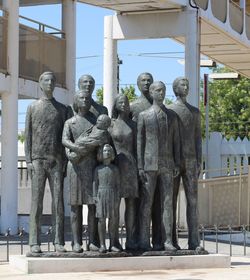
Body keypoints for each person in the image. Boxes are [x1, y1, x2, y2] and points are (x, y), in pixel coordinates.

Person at [25, 71, 67, 253]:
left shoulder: (63, 109)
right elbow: (28, 136)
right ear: (40, 84)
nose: (50, 83)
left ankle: (59, 241)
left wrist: (64, 161)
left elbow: (66, 137)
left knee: (58, 202)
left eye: (52, 80)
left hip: (57, 160)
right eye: (46, 80)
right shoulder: (33, 107)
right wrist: (28, 161)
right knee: (37, 202)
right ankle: (34, 241)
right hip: (38, 160)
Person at [137, 81, 180, 251]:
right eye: (157, 90)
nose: (161, 93)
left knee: (168, 203)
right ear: (152, 93)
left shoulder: (172, 116)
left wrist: (176, 161)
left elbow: (176, 142)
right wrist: (140, 166)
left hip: (168, 164)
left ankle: (167, 240)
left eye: (163, 90)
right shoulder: (144, 115)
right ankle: (143, 240)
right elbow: (139, 143)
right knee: (146, 203)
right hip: (149, 165)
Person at [62, 90, 100, 253]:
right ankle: (76, 242)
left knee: (92, 206)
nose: (84, 100)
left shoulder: (95, 122)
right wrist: (75, 148)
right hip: (75, 168)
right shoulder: (70, 122)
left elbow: (100, 138)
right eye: (81, 98)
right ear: (76, 101)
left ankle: (92, 241)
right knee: (75, 207)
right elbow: (64, 140)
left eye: (87, 98)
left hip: (91, 167)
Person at [168, 77, 203, 251]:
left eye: (187, 84)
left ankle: (194, 241)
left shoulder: (195, 112)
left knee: (193, 201)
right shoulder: (170, 111)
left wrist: (199, 161)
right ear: (175, 89)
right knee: (171, 201)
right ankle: (172, 241)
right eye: (182, 84)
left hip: (190, 161)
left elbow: (198, 138)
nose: (186, 87)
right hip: (174, 161)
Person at [109, 94, 138, 250]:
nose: (124, 104)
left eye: (126, 102)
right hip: (115, 167)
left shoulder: (133, 125)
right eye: (120, 102)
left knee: (131, 204)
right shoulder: (111, 124)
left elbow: (139, 148)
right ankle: (114, 241)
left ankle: (131, 239)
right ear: (115, 105)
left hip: (131, 167)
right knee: (114, 206)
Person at [93, 144, 121, 253]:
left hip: (112, 195)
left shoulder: (115, 169)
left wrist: (118, 197)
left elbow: (118, 185)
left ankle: (113, 244)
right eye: (105, 151)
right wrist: (95, 197)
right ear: (101, 153)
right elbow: (95, 183)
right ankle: (102, 244)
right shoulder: (98, 169)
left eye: (109, 151)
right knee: (101, 220)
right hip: (101, 194)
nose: (107, 153)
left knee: (113, 220)